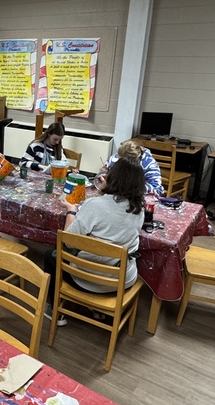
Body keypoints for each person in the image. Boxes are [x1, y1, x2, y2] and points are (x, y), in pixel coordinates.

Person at [46, 158, 146, 325]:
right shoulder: (140, 210)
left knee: (51, 255)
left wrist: (71, 210)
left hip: (88, 280)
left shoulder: (94, 205)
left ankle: (54, 309)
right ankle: (98, 309)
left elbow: (68, 241)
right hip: (122, 281)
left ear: (111, 178)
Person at [95, 139, 164, 195]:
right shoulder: (118, 156)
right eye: (119, 159)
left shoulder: (149, 163)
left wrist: (127, 188)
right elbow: (107, 168)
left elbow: (156, 187)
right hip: (119, 194)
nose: (119, 162)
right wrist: (105, 172)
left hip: (139, 196)